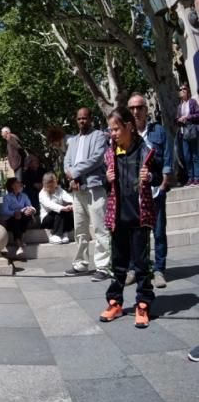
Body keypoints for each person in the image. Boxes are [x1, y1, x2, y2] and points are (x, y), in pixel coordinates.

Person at [98, 106, 156, 329]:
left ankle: (143, 304)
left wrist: (150, 175)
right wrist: (106, 178)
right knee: (119, 264)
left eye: (116, 129)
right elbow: (107, 186)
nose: (112, 134)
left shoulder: (145, 150)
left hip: (140, 216)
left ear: (128, 127)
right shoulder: (110, 154)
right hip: (117, 218)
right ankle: (115, 302)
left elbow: (160, 175)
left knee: (141, 264)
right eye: (110, 130)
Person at [127, 93, 172, 288]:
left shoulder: (159, 132)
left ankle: (159, 270)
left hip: (154, 192)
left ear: (146, 110)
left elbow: (168, 160)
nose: (136, 111)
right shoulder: (125, 134)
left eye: (139, 107)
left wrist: (163, 186)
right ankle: (134, 269)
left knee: (159, 232)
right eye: (132, 108)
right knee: (134, 234)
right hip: (133, 195)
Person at [63, 107, 112, 280]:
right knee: (80, 230)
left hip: (94, 187)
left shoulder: (99, 136)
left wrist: (75, 173)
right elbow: (67, 161)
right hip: (77, 191)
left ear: (90, 119)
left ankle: (104, 267)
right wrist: (71, 175)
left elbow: (97, 158)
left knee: (100, 228)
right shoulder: (73, 140)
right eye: (79, 118)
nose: (82, 121)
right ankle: (81, 264)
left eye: (85, 118)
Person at [0, 177, 36, 256]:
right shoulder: (7, 197)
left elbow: (30, 206)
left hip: (22, 218)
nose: (20, 184)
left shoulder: (24, 196)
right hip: (11, 220)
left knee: (26, 215)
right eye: (17, 182)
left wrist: (31, 210)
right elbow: (4, 211)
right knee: (15, 220)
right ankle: (19, 245)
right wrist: (14, 213)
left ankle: (20, 241)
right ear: (12, 186)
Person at [39, 172, 74, 244]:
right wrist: (63, 208)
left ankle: (63, 233)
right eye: (53, 181)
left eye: (55, 180)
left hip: (59, 217)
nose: (55, 182)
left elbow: (68, 197)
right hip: (47, 220)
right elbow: (49, 205)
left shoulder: (59, 190)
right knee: (59, 211)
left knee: (68, 212)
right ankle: (56, 234)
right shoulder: (42, 193)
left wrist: (72, 205)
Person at [176, 83, 199, 185]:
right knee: (186, 156)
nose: (182, 90)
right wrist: (179, 119)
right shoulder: (179, 106)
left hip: (193, 131)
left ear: (188, 91)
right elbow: (176, 119)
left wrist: (187, 117)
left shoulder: (193, 102)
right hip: (183, 133)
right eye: (180, 89)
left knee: (195, 155)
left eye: (184, 89)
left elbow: (198, 114)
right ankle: (190, 177)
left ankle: (196, 177)